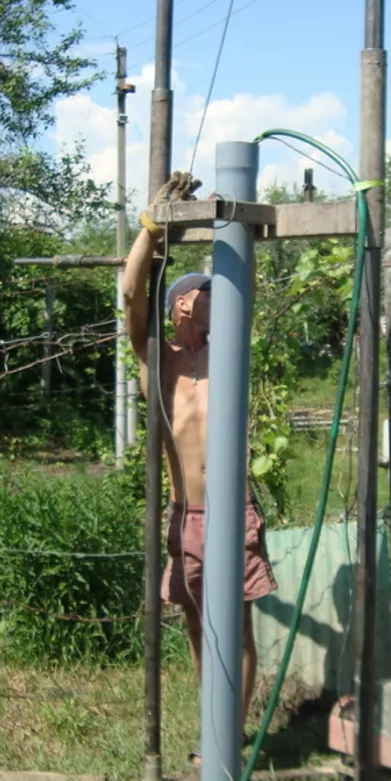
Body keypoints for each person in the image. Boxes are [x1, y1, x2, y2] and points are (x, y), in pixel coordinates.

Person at [122, 172, 276, 735]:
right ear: (185, 301)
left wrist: (222, 220)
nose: (222, 296)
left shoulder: (227, 352)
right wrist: (152, 225)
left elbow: (246, 287)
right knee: (195, 625)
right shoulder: (156, 363)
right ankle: (214, 733)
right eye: (211, 289)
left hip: (234, 512)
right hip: (185, 515)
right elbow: (132, 295)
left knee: (236, 630)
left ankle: (229, 742)